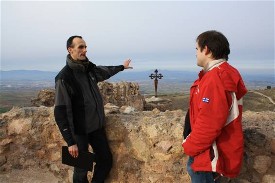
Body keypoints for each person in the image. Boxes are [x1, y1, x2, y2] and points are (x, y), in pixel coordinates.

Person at [54, 35, 132, 183]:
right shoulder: (64, 77)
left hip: (95, 127)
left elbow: (105, 71)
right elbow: (60, 112)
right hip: (79, 131)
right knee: (81, 168)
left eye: (85, 47)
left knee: (105, 160)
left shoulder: (89, 69)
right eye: (80, 47)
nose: (84, 50)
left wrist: (122, 67)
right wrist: (70, 141)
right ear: (70, 50)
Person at [182, 30, 247, 182]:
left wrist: (190, 146)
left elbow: (209, 123)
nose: (196, 54)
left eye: (197, 49)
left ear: (206, 50)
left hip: (207, 153)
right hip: (207, 151)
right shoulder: (221, 73)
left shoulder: (215, 78)